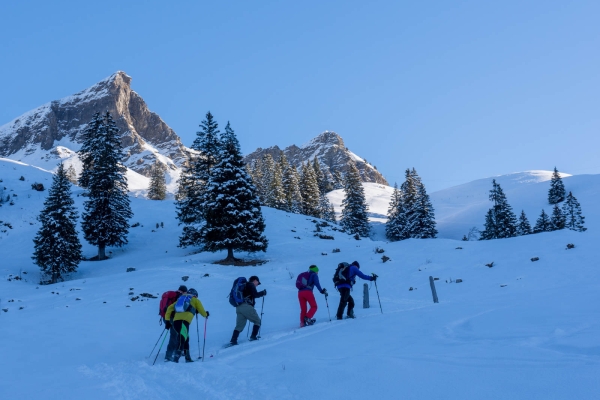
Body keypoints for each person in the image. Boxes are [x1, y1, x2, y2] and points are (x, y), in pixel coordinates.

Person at [164, 288, 209, 363]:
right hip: (184, 322)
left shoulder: (180, 299)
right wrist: (206, 314)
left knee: (186, 339)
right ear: (195, 295)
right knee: (182, 339)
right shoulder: (195, 300)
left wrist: (167, 320)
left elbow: (169, 308)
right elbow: (202, 311)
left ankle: (187, 358)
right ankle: (175, 359)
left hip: (176, 322)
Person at [229, 275, 266, 345]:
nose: (257, 285)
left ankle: (233, 340)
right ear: (255, 280)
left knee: (239, 326)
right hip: (246, 306)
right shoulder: (251, 285)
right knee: (257, 321)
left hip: (239, 307)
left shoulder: (245, 285)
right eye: (258, 283)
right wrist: (263, 293)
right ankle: (253, 336)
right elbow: (255, 294)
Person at [160, 285, 187, 362]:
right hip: (172, 318)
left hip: (165, 317)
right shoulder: (179, 296)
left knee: (176, 334)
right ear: (183, 291)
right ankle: (168, 356)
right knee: (174, 335)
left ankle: (175, 351)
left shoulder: (171, 295)